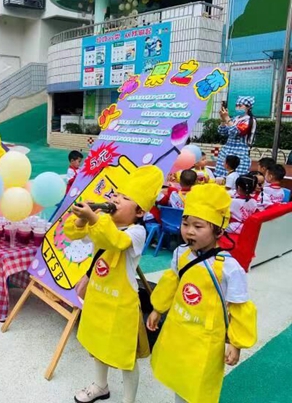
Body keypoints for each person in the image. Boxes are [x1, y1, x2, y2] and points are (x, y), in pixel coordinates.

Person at [147, 184, 257, 403]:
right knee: (179, 377)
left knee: (199, 387)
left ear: (219, 230)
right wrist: (157, 309)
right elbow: (172, 282)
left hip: (206, 339)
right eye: (186, 223)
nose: (189, 231)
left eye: (198, 226)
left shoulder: (229, 267)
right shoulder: (181, 253)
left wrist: (235, 343)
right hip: (178, 329)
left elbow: (239, 306)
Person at [65, 165, 164, 403]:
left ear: (140, 211)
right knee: (98, 345)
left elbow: (114, 241)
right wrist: (81, 219)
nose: (116, 200)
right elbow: (76, 234)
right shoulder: (103, 223)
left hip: (122, 306)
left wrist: (95, 218)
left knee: (124, 358)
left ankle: (128, 400)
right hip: (99, 298)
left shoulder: (136, 232)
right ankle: (100, 386)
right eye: (117, 195)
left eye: (125, 198)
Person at [215, 96, 257, 178]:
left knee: (236, 178)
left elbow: (235, 132)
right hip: (227, 151)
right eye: (236, 105)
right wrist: (223, 120)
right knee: (221, 176)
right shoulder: (235, 119)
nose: (237, 107)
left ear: (248, 107)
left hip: (239, 153)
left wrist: (227, 118)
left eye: (240, 105)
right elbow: (222, 132)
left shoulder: (250, 120)